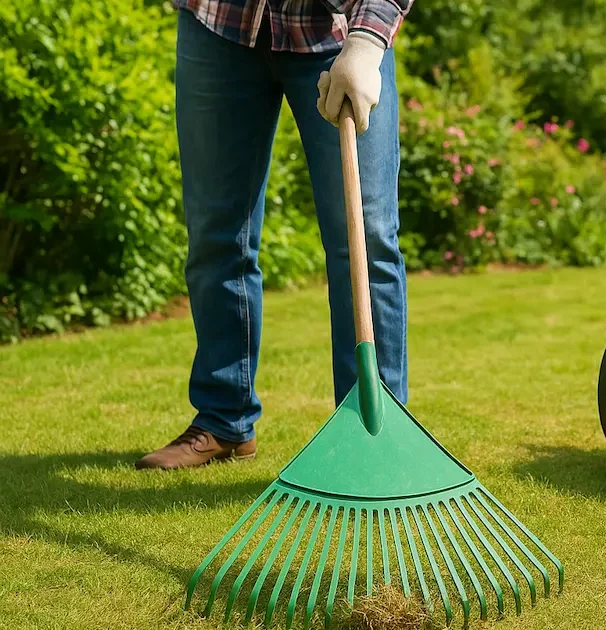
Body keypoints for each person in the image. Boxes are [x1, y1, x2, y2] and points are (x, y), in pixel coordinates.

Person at [136, 0, 413, 470]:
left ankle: (374, 436)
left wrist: (366, 43)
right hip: (220, 25)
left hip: (338, 35)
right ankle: (224, 420)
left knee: (365, 240)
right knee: (216, 234)